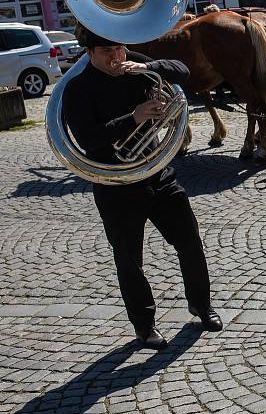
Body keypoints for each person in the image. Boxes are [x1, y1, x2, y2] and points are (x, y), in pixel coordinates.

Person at [63, 23, 223, 350]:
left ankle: (201, 304)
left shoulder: (133, 63)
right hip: (116, 184)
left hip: (157, 173)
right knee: (129, 258)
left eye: (119, 49)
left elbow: (182, 70)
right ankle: (145, 325)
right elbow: (88, 139)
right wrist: (134, 118)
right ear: (89, 53)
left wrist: (148, 66)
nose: (117, 56)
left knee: (190, 241)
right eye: (108, 52)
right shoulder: (78, 88)